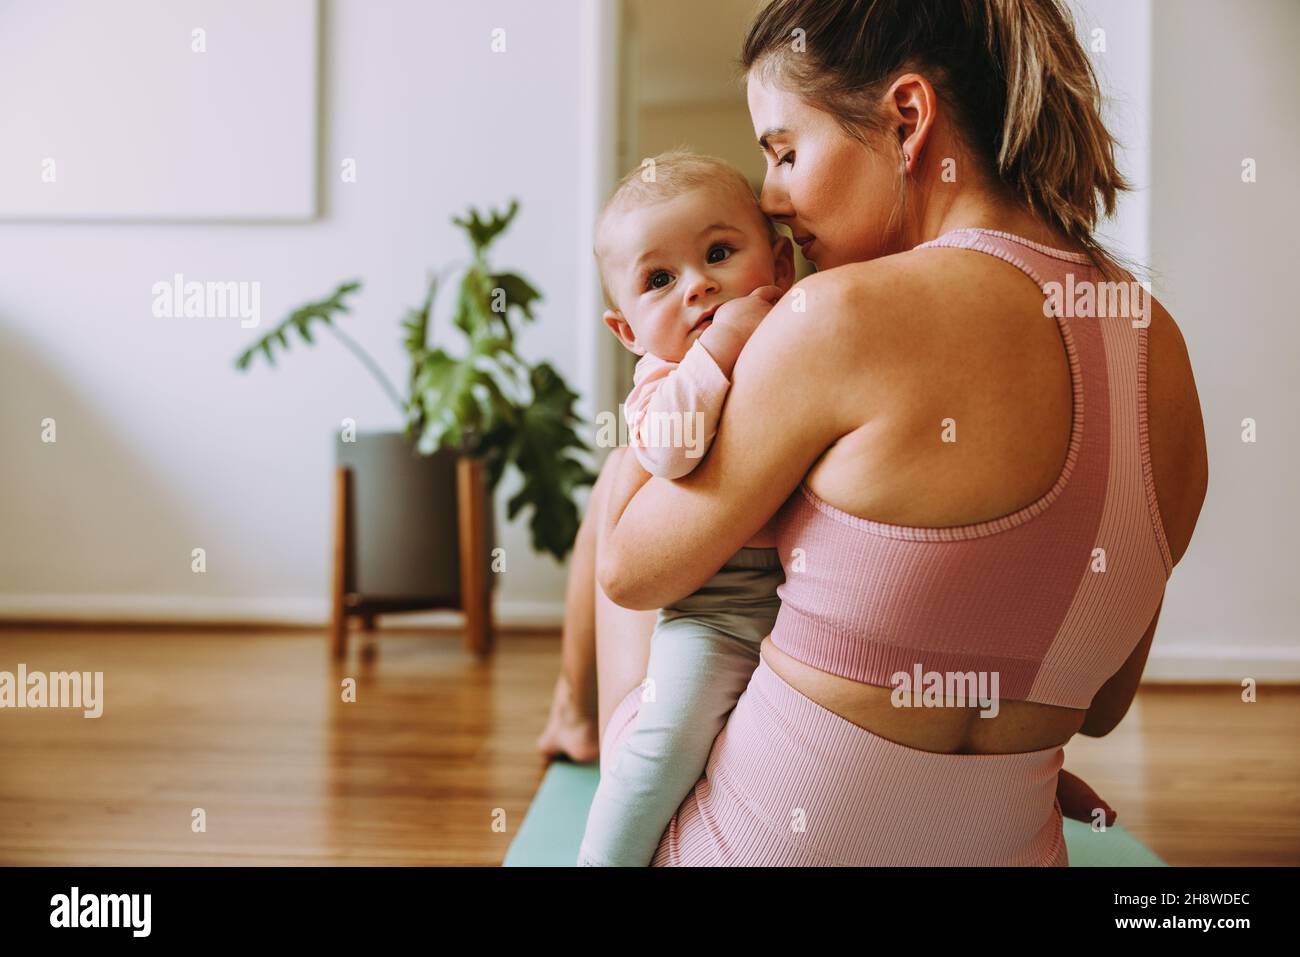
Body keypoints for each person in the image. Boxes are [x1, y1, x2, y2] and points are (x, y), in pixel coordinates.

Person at [539, 0, 1208, 865]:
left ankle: (575, 720)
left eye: (784, 151)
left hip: (746, 850)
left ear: (906, 119)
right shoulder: (1164, 347)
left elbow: (630, 570)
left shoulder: (833, 316)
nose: (772, 197)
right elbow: (1106, 701)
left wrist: (668, 395)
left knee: (627, 480)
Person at [576, 151, 794, 866]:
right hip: (715, 618)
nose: (698, 286)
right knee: (661, 748)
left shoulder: (801, 347)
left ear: (780, 267)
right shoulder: (661, 380)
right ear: (628, 331)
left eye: (720, 253)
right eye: (660, 280)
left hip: (800, 617)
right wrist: (723, 347)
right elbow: (672, 450)